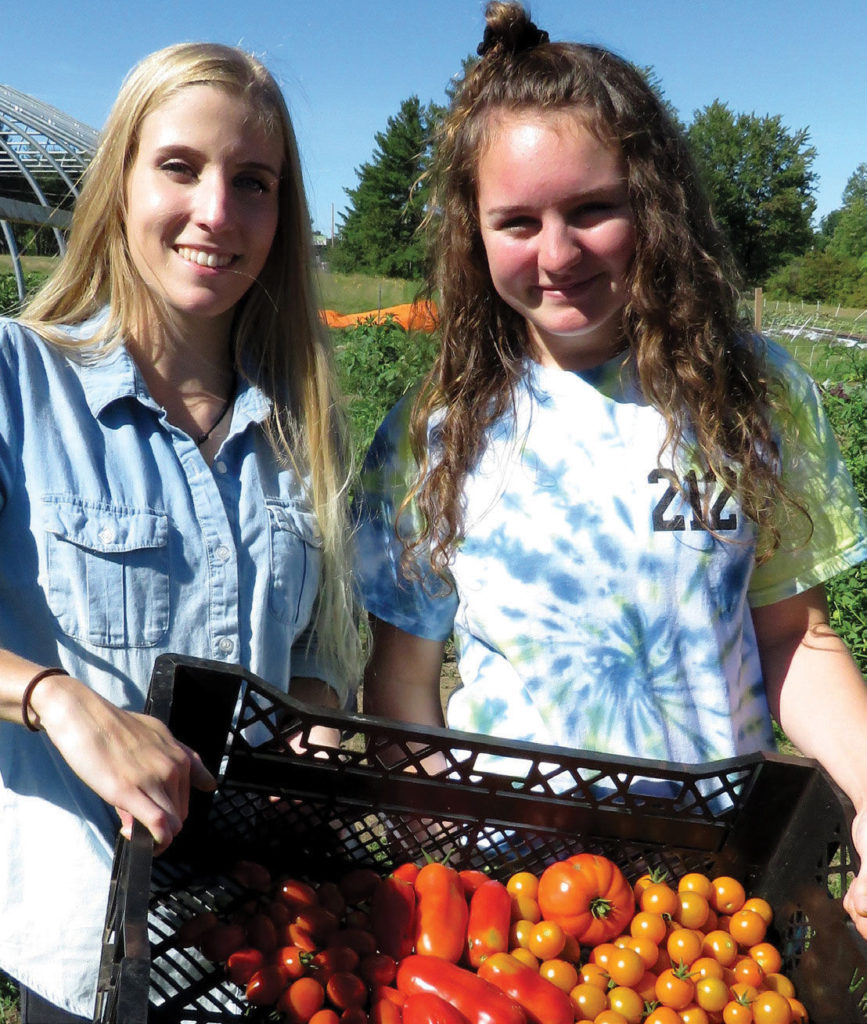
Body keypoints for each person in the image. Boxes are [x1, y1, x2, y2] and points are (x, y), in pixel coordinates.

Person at [355, 1, 867, 939]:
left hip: (715, 896)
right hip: (518, 907)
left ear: (654, 203)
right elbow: (402, 685)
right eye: (516, 221)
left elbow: (791, 634)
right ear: (474, 232)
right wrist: (445, 871)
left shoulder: (748, 391)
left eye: (592, 208)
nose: (556, 254)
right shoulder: (437, 430)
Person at [0, 43, 360, 1021]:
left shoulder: (302, 427)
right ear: (119, 179)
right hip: (89, 946)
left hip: (266, 943)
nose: (216, 211)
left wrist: (315, 727)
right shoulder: (19, 378)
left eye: (253, 182)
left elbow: (323, 651)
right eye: (179, 167)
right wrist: (54, 697)